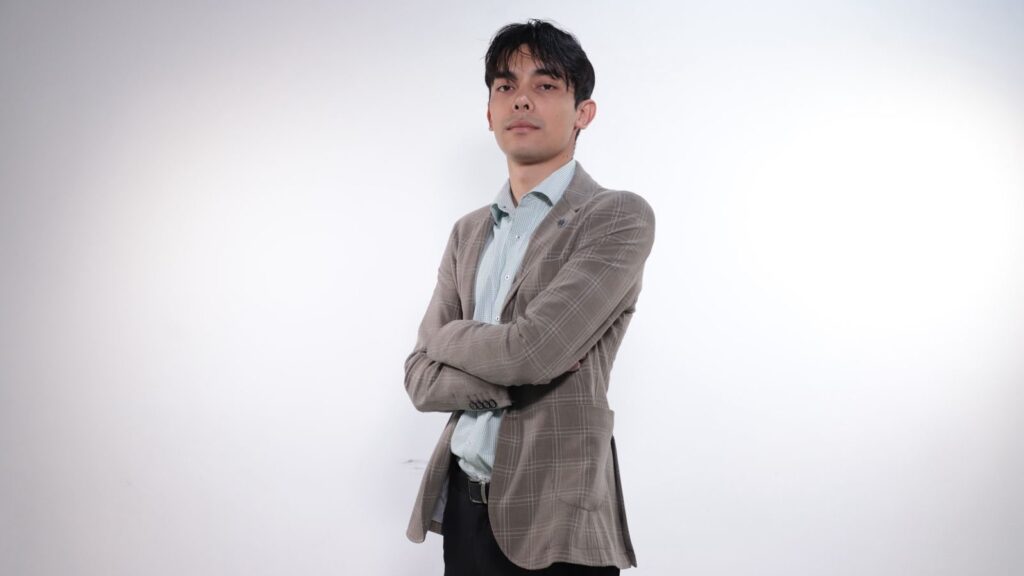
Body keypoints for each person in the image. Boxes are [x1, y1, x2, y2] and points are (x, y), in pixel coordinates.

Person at [404, 19, 655, 575]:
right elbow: (420, 378)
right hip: (464, 505)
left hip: (556, 517)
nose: (521, 100)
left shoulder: (615, 216)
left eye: (545, 85)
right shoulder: (469, 232)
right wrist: (512, 373)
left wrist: (451, 340)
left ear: (583, 112)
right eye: (505, 86)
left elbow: (531, 353)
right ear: (489, 113)